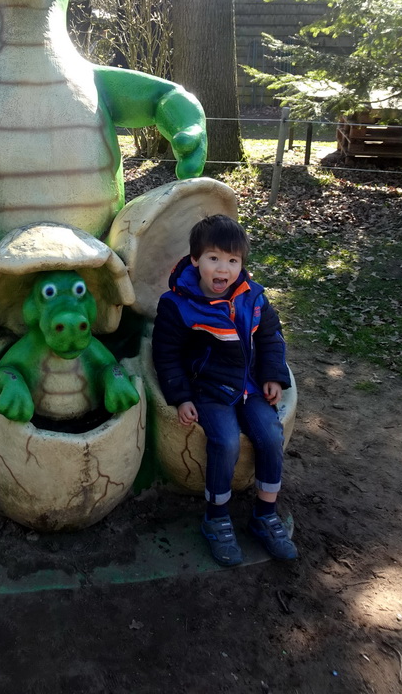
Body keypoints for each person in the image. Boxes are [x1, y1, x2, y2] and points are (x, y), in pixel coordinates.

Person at [152, 213, 297, 566]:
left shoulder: (253, 297)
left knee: (269, 434)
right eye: (214, 258)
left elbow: (270, 337)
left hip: (249, 386)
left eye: (233, 261)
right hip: (209, 391)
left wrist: (273, 375)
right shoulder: (178, 304)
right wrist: (182, 396)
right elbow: (166, 355)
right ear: (196, 259)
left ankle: (266, 514)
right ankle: (216, 517)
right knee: (226, 441)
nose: (224, 269)